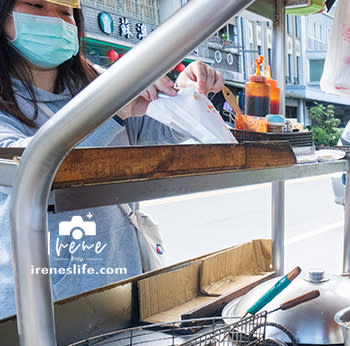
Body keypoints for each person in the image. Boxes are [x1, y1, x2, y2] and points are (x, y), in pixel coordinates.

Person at [0, 0, 224, 319]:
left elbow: (162, 127)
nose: (53, 18)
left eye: (65, 12)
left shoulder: (101, 82)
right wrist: (115, 108)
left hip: (121, 287)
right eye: (36, 5)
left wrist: (189, 94)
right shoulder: (110, 92)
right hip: (38, 305)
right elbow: (30, 168)